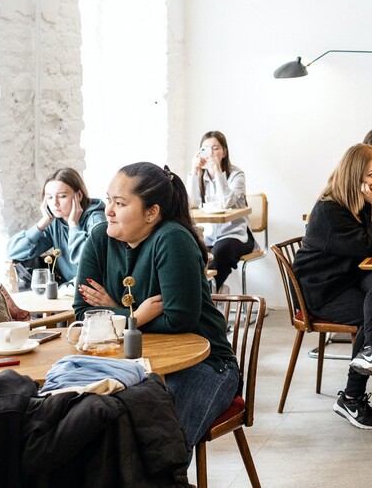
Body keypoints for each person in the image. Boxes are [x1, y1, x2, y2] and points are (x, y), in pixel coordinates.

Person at [73, 162, 237, 453]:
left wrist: (118, 314)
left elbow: (179, 319)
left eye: (120, 203)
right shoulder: (100, 238)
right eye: (109, 200)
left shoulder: (172, 238)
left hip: (202, 364)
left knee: (160, 443)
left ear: (151, 213)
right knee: (84, 421)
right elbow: (83, 315)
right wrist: (135, 316)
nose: (108, 210)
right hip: (131, 364)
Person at [293, 144, 372, 430]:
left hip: (346, 277)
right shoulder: (329, 210)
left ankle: (371, 349)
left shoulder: (359, 202)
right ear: (355, 175)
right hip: (321, 289)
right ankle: (351, 398)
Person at [7, 167, 106, 288]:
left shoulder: (96, 219)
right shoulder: (55, 222)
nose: (55, 203)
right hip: (70, 289)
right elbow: (12, 252)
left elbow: (89, 262)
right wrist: (42, 223)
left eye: (62, 196)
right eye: (49, 197)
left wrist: (73, 226)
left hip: (95, 289)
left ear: (79, 196)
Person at [186, 131, 256, 293]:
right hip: (209, 235)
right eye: (205, 148)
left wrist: (217, 171)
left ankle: (211, 293)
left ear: (224, 152)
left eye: (215, 148)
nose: (210, 153)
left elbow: (226, 203)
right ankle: (215, 291)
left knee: (220, 252)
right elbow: (191, 204)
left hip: (236, 234)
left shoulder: (236, 175)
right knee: (189, 252)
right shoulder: (200, 175)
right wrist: (194, 172)